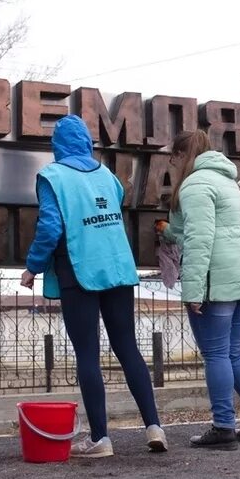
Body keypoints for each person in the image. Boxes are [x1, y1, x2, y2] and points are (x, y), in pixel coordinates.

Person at [20, 115, 167, 458]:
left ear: (57, 146)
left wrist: (32, 268)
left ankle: (101, 439)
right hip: (117, 268)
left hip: (78, 270)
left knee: (87, 353)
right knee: (127, 347)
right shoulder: (107, 176)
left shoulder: (52, 177)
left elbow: (51, 228)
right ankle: (154, 427)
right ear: (86, 142)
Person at [157, 130, 240, 450]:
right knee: (234, 353)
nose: (171, 163)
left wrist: (192, 290)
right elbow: (197, 232)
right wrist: (169, 232)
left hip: (216, 282)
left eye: (174, 157)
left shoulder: (195, 184)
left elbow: (200, 238)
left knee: (216, 355)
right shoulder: (227, 182)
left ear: (183, 156)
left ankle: (223, 426)